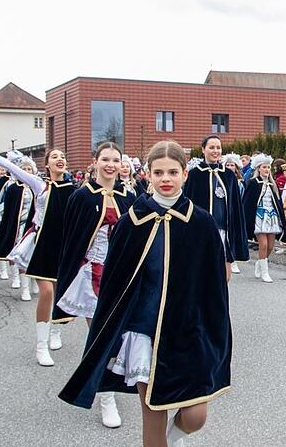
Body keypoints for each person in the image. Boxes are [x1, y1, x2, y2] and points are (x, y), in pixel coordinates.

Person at [59, 141, 231, 446]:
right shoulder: (131, 222)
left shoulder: (201, 223)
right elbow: (114, 287)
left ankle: (173, 438)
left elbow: (213, 290)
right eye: (159, 172)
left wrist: (218, 336)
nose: (166, 178)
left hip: (188, 335)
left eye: (172, 172)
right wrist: (109, 332)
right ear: (147, 175)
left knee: (195, 417)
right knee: (152, 414)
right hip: (142, 332)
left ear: (184, 175)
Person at [0, 144, 75, 367]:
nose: (59, 159)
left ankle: (56, 331)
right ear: (47, 164)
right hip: (42, 245)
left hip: (64, 248)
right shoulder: (40, 185)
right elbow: (10, 167)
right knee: (46, 293)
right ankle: (41, 346)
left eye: (63, 156)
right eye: (54, 156)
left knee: (60, 294)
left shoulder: (75, 189)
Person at [54, 141, 136, 428]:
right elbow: (71, 239)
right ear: (95, 161)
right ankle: (105, 397)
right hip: (93, 273)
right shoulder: (82, 197)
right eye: (105, 159)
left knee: (120, 334)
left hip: (121, 274)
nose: (111, 165)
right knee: (102, 334)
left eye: (115, 159)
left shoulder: (129, 196)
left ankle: (110, 383)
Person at [185, 136, 248, 279]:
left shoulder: (228, 175)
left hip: (224, 227)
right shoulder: (195, 174)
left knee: (225, 267)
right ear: (203, 149)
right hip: (202, 229)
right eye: (211, 147)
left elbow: (235, 205)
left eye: (218, 148)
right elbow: (188, 202)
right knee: (203, 267)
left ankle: (221, 298)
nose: (215, 151)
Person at [0, 154, 39, 300]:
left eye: (29, 168)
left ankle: (34, 280)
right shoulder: (12, 188)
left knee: (34, 255)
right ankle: (22, 285)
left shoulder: (37, 187)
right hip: (17, 227)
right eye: (23, 168)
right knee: (18, 254)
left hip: (33, 227)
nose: (26, 171)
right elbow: (4, 209)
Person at [242, 154, 286, 282]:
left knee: (270, 246)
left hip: (271, 216)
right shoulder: (253, 183)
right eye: (264, 167)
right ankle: (265, 271)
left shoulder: (272, 184)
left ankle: (260, 262)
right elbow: (247, 202)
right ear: (259, 168)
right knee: (263, 244)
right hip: (259, 216)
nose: (267, 169)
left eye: (268, 167)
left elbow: (277, 202)